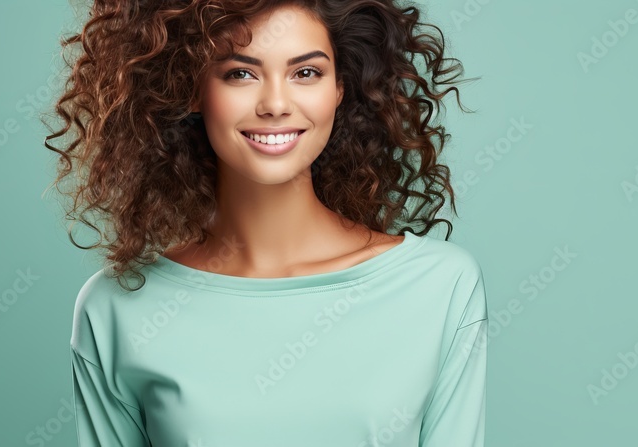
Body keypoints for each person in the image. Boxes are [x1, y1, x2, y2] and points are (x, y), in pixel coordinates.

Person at [43, 0, 486, 445]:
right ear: (192, 88)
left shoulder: (439, 288)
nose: (275, 104)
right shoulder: (118, 309)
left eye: (306, 73)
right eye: (240, 73)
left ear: (340, 88)